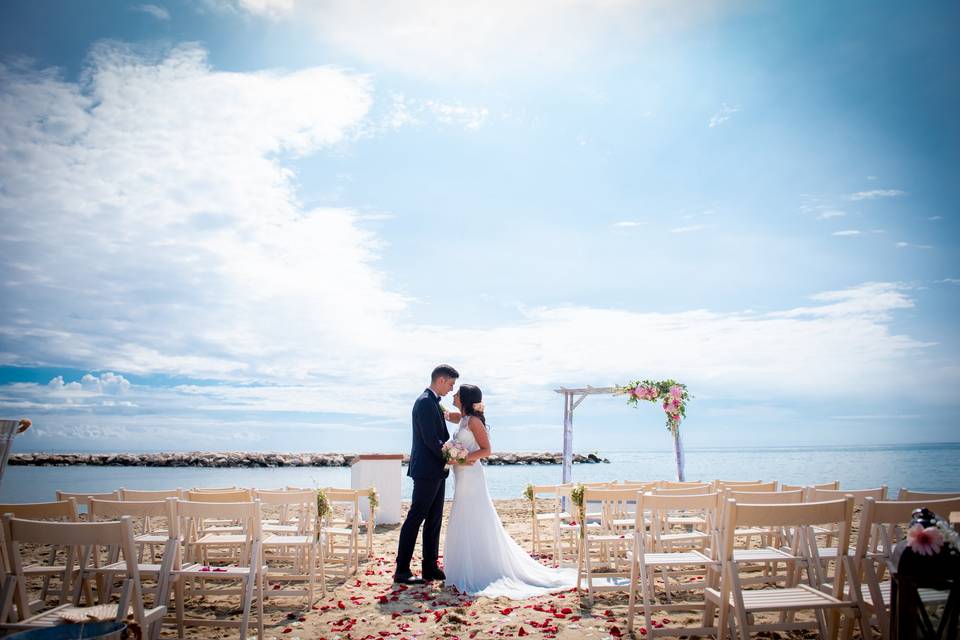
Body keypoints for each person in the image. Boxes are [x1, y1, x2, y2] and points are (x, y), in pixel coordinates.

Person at [443, 384, 576, 597]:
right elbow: (448, 414)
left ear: (465, 399)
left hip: (471, 475)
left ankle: (479, 567)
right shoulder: (464, 419)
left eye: (457, 393)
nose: (454, 394)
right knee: (462, 515)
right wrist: (436, 406)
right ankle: (466, 564)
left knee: (474, 516)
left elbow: (487, 450)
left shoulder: (474, 422)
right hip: (461, 477)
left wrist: (461, 458)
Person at [394, 364, 461, 584]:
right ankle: (402, 570)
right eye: (451, 384)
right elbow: (430, 439)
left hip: (437, 470)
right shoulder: (424, 402)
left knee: (434, 520)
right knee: (415, 518)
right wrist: (450, 455)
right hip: (426, 470)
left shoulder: (433, 403)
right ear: (440, 380)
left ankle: (429, 567)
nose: (451, 389)